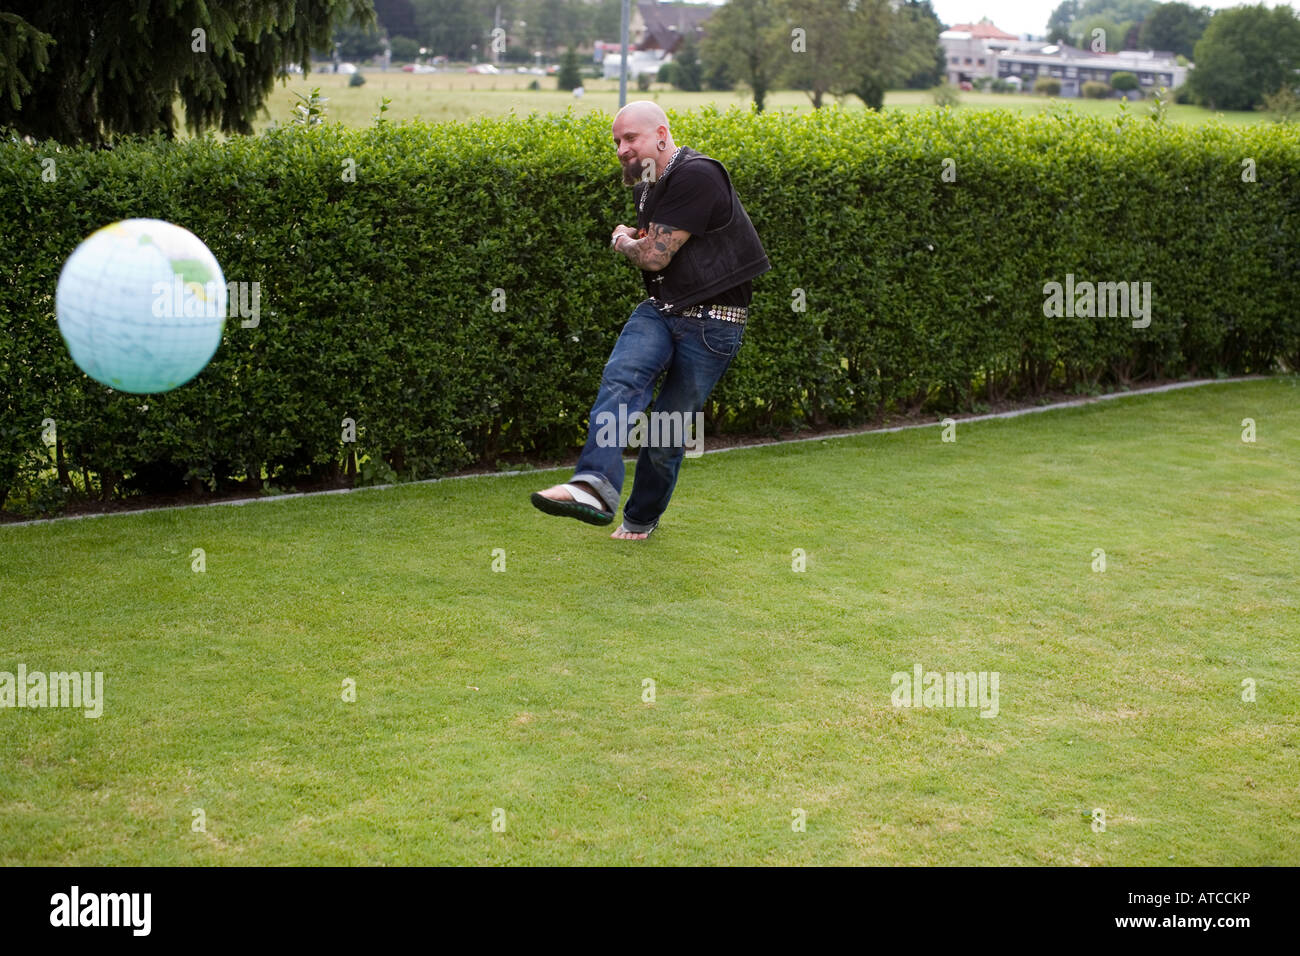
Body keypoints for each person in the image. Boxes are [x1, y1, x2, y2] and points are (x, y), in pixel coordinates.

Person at [531, 101, 770, 540]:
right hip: (661, 311)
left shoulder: (697, 174)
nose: (621, 149)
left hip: (714, 324)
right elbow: (655, 252)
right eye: (616, 142)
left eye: (630, 138)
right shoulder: (647, 183)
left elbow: (653, 255)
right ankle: (594, 487)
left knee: (665, 433)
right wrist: (636, 243)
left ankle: (640, 518)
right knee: (622, 379)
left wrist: (622, 239)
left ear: (661, 135)